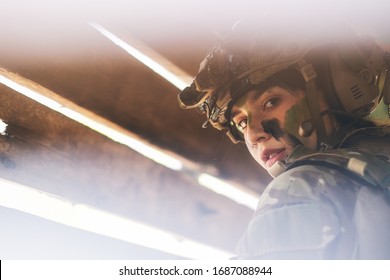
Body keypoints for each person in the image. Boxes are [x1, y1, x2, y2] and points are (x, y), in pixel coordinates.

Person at [177, 19, 390, 259]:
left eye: (271, 102)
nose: (254, 134)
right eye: (242, 122)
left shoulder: (303, 186)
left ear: (331, 91)